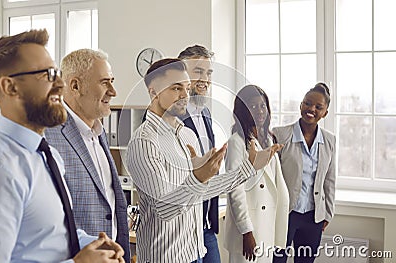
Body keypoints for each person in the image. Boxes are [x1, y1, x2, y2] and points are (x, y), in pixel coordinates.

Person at [125, 58, 281, 263]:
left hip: (195, 251)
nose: (185, 95)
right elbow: (165, 209)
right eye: (176, 88)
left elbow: (201, 192)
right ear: (153, 92)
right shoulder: (144, 142)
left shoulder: (186, 135)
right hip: (165, 258)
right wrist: (199, 177)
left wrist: (247, 169)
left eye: (187, 88)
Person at [0, 29, 124, 262]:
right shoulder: (3, 168)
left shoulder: (46, 155)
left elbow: (51, 233)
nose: (60, 84)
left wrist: (91, 243)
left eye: (56, 73)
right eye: (46, 75)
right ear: (10, 87)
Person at [45, 49, 130, 263]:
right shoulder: (48, 136)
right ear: (75, 86)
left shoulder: (98, 133)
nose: (113, 91)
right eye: (104, 83)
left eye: (112, 81)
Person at [224, 85, 289, 263]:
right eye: (253, 106)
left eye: (262, 106)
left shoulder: (268, 139)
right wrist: (247, 232)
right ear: (243, 111)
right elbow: (235, 190)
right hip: (248, 230)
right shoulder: (236, 142)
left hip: (266, 225)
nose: (260, 111)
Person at [272, 83, 336, 263]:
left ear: (325, 113)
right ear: (301, 105)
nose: (311, 109)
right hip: (285, 213)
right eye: (307, 103)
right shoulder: (280, 134)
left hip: (313, 216)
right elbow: (269, 177)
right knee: (277, 260)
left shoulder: (330, 140)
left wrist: (327, 213)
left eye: (318, 107)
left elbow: (329, 179)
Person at [177, 44, 221, 262]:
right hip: (184, 228)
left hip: (206, 223)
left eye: (208, 73)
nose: (205, 79)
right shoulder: (171, 116)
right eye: (198, 72)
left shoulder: (206, 113)